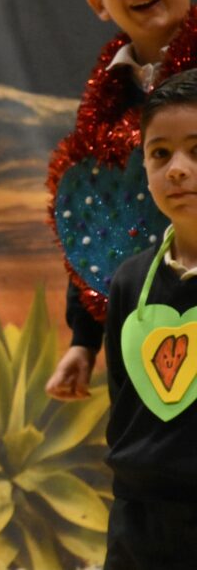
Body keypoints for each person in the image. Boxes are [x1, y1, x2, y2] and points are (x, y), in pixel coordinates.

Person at [47, 0, 197, 401]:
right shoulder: (104, 103)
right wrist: (84, 340)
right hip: (147, 336)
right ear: (97, 3)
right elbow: (99, 218)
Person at [93, 68, 197, 568]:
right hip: (140, 531)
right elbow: (125, 409)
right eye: (160, 153)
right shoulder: (129, 282)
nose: (177, 169)